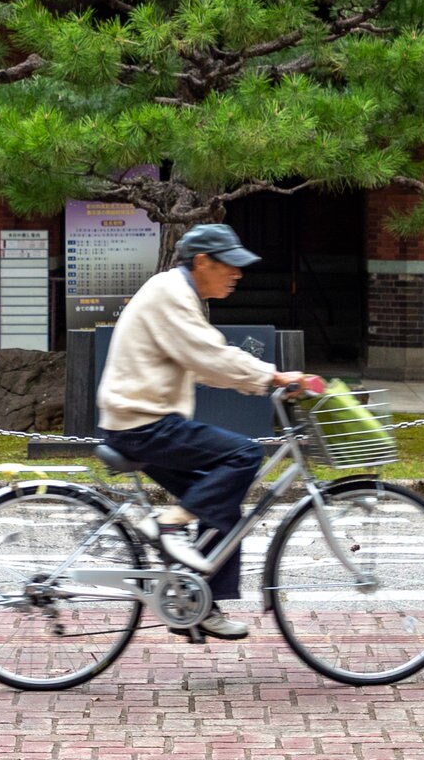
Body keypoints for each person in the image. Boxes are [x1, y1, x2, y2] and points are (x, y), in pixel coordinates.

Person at [97, 222, 321, 641]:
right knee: (243, 456)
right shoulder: (171, 295)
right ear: (202, 261)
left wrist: (258, 381)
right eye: (229, 265)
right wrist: (272, 377)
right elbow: (211, 356)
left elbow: (204, 363)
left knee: (223, 500)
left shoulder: (180, 293)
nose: (237, 274)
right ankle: (167, 526)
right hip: (142, 422)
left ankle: (198, 604)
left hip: (145, 419)